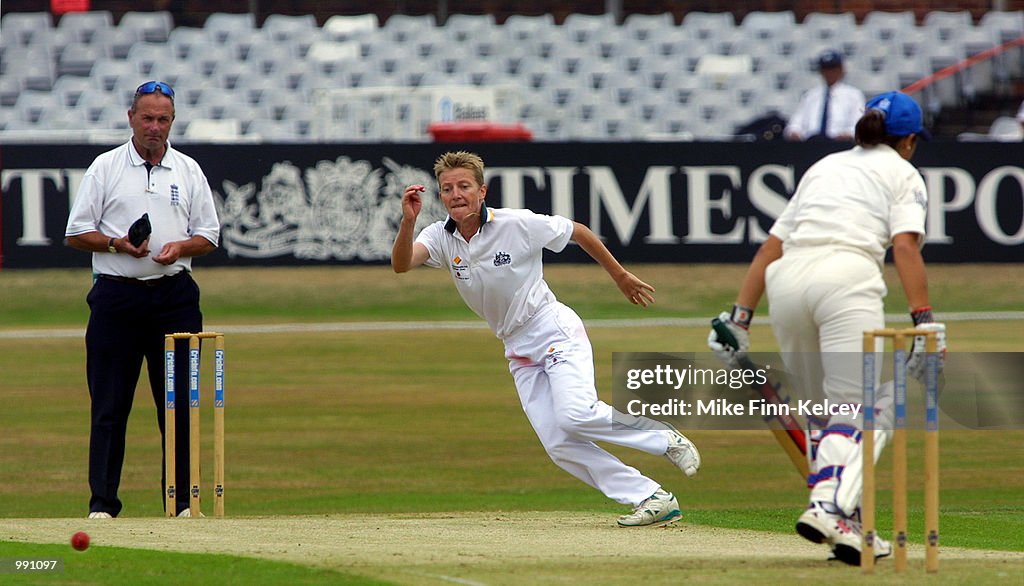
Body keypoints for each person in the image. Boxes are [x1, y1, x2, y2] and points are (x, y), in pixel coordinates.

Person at [392, 151, 701, 527]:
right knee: (559, 444)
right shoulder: (439, 238)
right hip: (517, 348)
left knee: (576, 415)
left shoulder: (517, 224)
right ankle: (651, 497)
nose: (456, 194)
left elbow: (579, 232)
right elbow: (402, 263)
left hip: (552, 328)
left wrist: (620, 276)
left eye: (464, 186)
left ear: (482, 191)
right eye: (447, 189)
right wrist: (408, 222)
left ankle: (662, 437)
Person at [707, 91, 946, 565]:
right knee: (858, 411)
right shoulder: (904, 173)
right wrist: (924, 322)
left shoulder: (826, 166)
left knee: (822, 414)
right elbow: (904, 248)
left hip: (787, 283)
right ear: (910, 141)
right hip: (847, 280)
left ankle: (848, 528)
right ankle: (828, 506)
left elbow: (768, 250)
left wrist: (739, 320)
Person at [65, 80, 221, 518]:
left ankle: (183, 504)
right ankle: (103, 505)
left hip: (174, 295)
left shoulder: (188, 169)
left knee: (179, 405)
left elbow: (208, 235)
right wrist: (117, 244)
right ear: (131, 117)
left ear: (173, 121)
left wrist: (179, 248)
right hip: (117, 298)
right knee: (110, 405)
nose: (155, 127)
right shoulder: (106, 166)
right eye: (147, 118)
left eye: (163, 119)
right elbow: (76, 233)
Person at [784, 50, 866, 142]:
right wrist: (794, 132)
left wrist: (848, 134)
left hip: (839, 145)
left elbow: (858, 124)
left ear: (841, 70)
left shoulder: (853, 95)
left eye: (833, 69)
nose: (829, 73)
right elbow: (795, 123)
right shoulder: (811, 96)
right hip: (811, 144)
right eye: (826, 69)